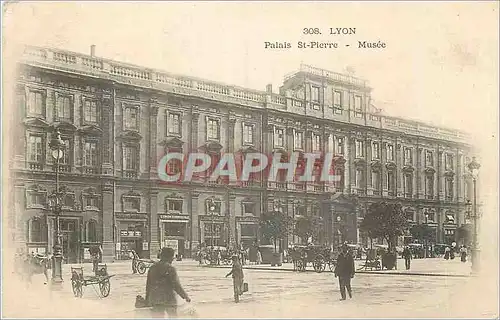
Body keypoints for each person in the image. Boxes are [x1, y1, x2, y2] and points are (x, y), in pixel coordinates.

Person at [145, 247, 191, 318]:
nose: (173, 259)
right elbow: (176, 285)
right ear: (170, 257)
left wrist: (147, 299)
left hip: (155, 299)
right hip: (169, 299)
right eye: (173, 257)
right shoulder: (170, 269)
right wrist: (185, 296)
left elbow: (148, 285)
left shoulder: (152, 268)